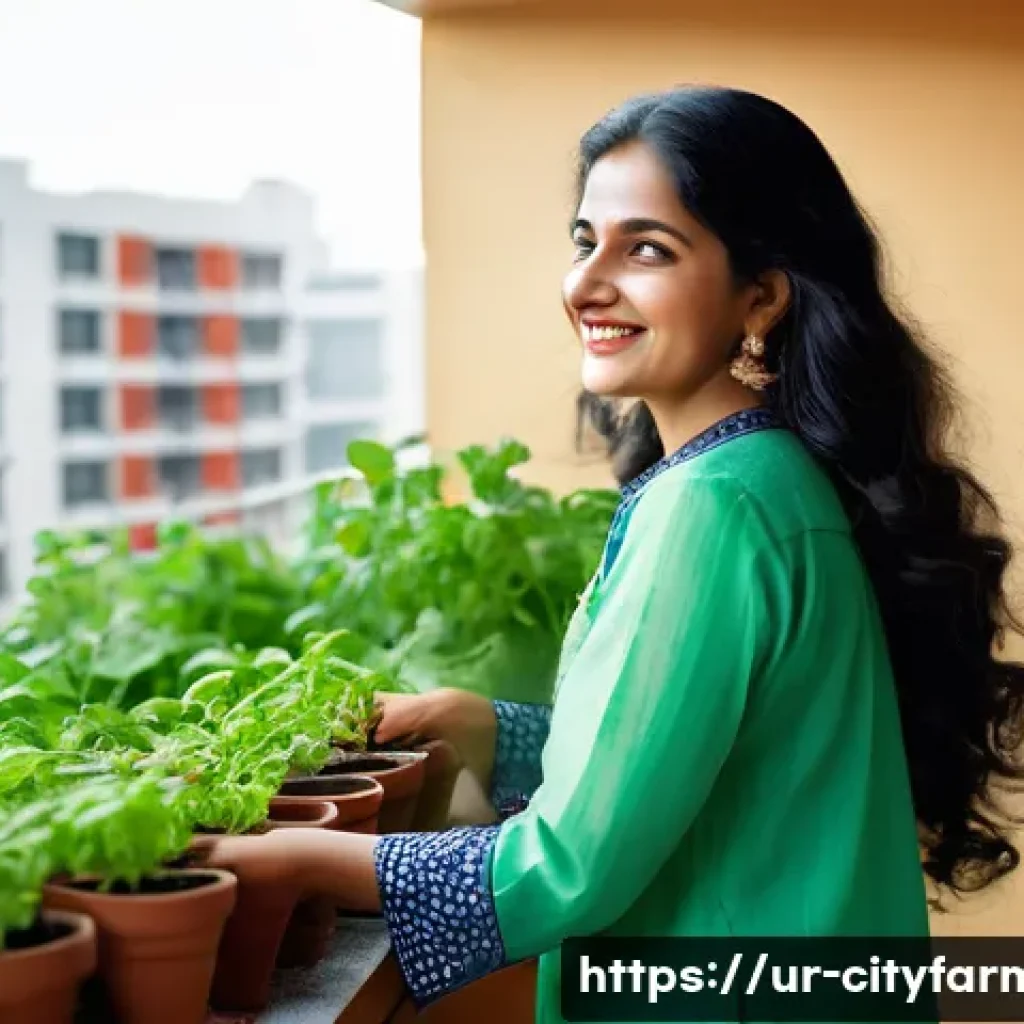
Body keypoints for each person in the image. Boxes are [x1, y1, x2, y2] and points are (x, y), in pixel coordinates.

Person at [205, 86, 1024, 1022]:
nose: (587, 283)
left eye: (647, 249)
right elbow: (696, 763)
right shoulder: (768, 473)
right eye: (585, 240)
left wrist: (300, 858)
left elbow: (570, 869)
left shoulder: (716, 506)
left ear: (760, 294)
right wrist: (486, 727)